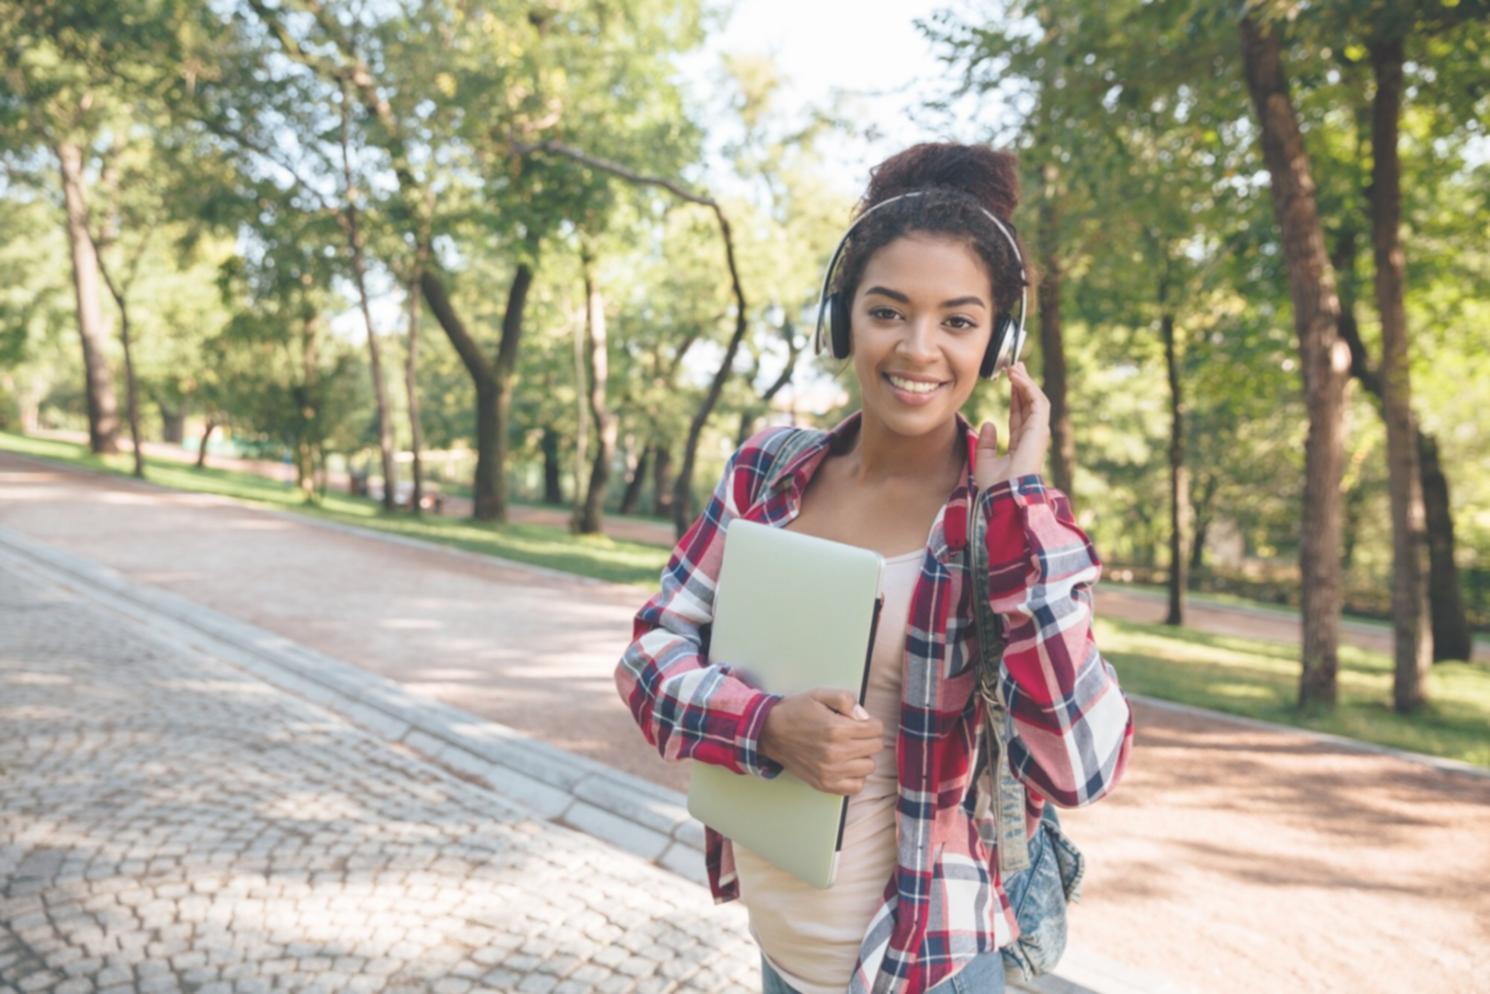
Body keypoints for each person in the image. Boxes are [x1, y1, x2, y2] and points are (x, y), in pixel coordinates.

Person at [614, 142, 1135, 994]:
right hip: (783, 948)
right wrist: (765, 725)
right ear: (843, 317)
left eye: (959, 321)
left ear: (997, 341)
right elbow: (650, 653)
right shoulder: (766, 473)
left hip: (924, 967)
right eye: (888, 311)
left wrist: (1020, 510)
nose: (919, 349)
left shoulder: (1010, 521)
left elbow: (1083, 766)